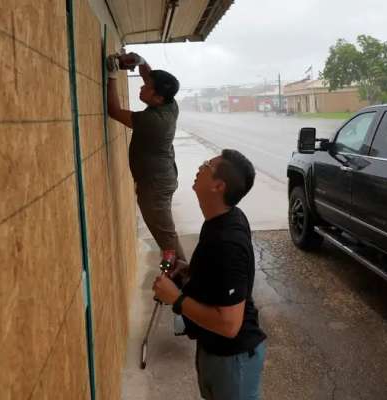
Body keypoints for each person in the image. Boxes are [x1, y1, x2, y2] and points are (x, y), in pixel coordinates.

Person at [153, 149, 267, 400]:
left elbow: (229, 325)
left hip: (233, 359)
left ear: (218, 185)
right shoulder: (220, 220)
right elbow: (217, 276)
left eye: (206, 165)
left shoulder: (228, 242)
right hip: (214, 350)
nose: (200, 167)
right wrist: (188, 273)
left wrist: (176, 299)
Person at [106, 52, 186, 262]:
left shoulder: (154, 121)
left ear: (158, 97)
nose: (141, 87)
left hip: (155, 187)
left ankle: (182, 281)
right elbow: (148, 75)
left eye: (146, 87)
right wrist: (139, 61)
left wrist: (112, 75)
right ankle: (178, 277)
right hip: (161, 179)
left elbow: (114, 111)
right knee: (166, 236)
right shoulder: (169, 103)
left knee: (166, 238)